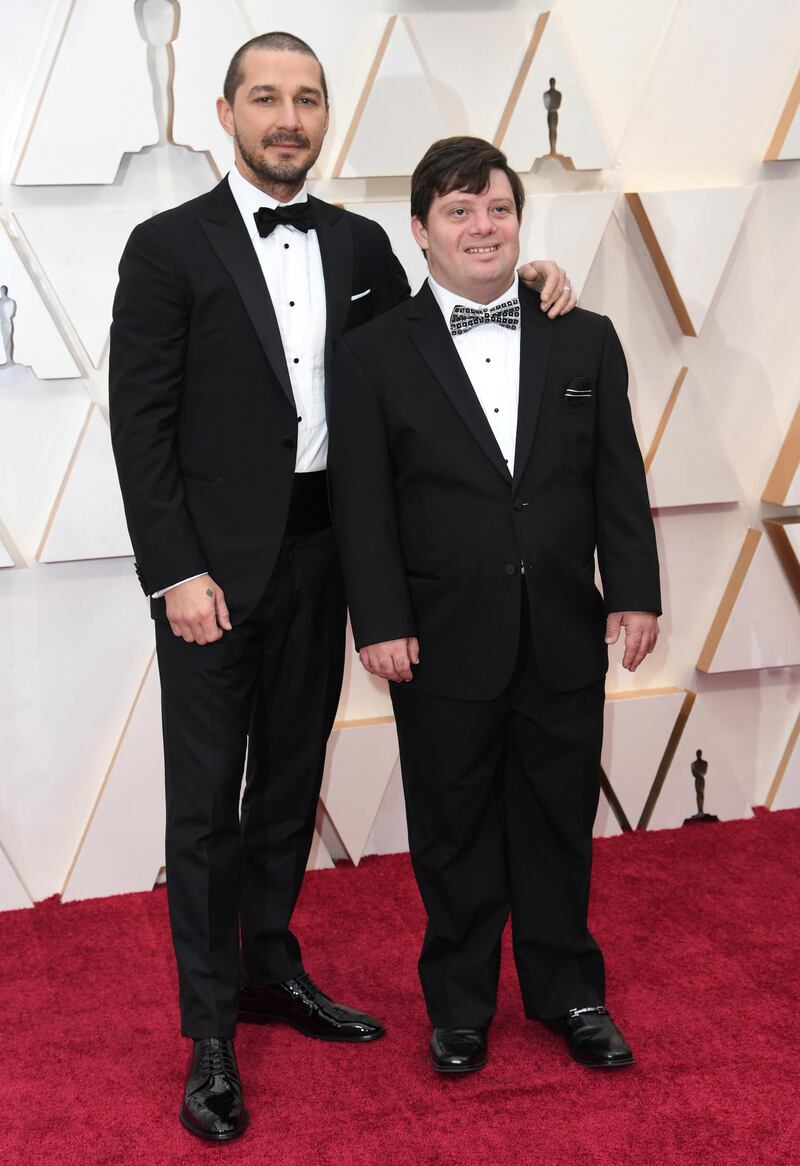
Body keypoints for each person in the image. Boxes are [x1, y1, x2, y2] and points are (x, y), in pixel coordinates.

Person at [109, 34, 577, 1141]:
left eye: (305, 99)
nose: (287, 116)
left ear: (325, 116)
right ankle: (211, 1033)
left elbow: (431, 350)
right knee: (204, 805)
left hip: (328, 557)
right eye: (265, 98)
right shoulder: (166, 247)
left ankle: (271, 967)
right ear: (223, 112)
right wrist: (175, 567)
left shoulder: (364, 243)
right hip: (211, 575)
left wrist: (533, 285)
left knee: (286, 789)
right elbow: (142, 425)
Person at [328, 136, 660, 1077]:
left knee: (558, 816)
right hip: (438, 637)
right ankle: (461, 1006)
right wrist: (381, 620)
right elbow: (364, 504)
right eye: (460, 212)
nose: (484, 227)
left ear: (520, 221)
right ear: (422, 232)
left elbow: (615, 479)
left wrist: (634, 592)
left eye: (499, 209)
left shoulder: (583, 334)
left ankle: (571, 994)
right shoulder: (372, 354)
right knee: (453, 825)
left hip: (561, 627)